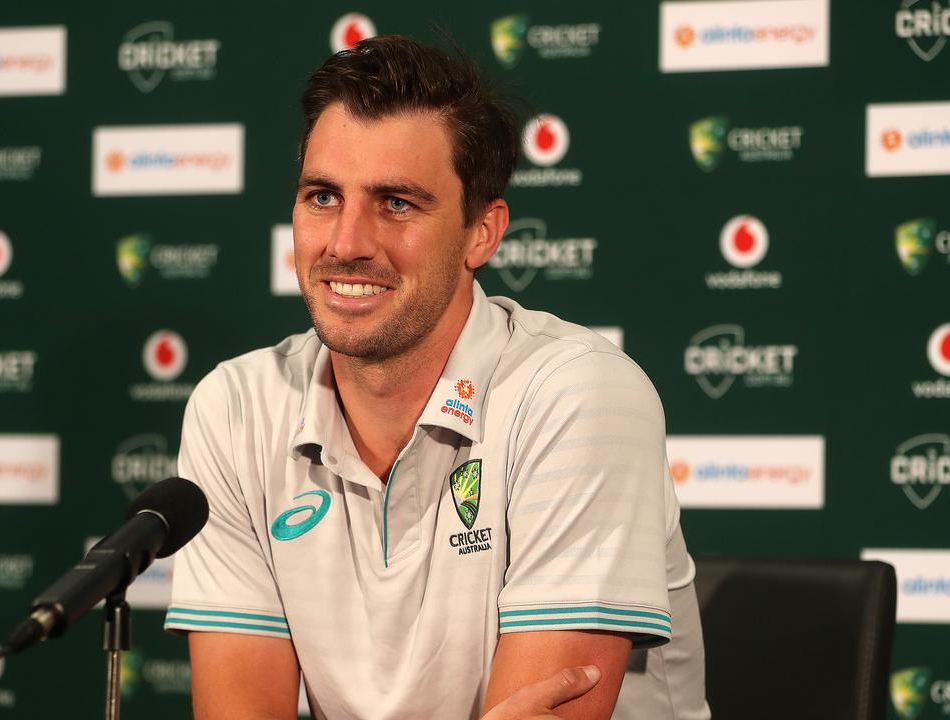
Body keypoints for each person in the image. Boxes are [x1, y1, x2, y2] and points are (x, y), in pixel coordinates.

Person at [167, 35, 709, 720]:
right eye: (322, 196)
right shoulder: (237, 407)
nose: (346, 242)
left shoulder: (580, 397)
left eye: (396, 203)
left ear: (482, 233)